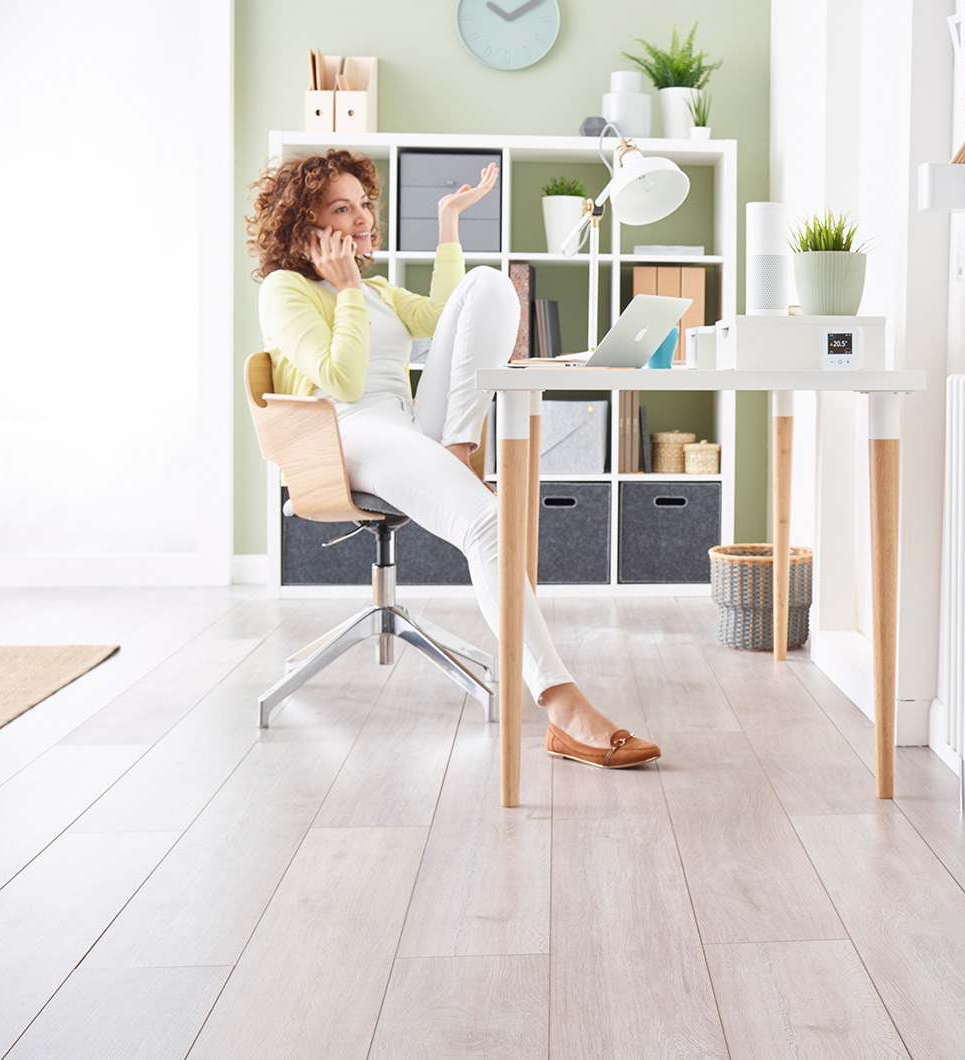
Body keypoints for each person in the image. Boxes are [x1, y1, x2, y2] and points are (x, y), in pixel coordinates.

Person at [249, 148, 659, 770]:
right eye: (342, 208)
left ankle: (460, 448)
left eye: (364, 204)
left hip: (411, 427)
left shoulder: (379, 288)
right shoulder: (285, 292)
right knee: (487, 521)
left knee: (490, 282)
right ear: (303, 222)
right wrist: (350, 291)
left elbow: (453, 321)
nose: (362, 220)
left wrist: (446, 225)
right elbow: (345, 378)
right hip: (344, 433)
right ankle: (563, 707)